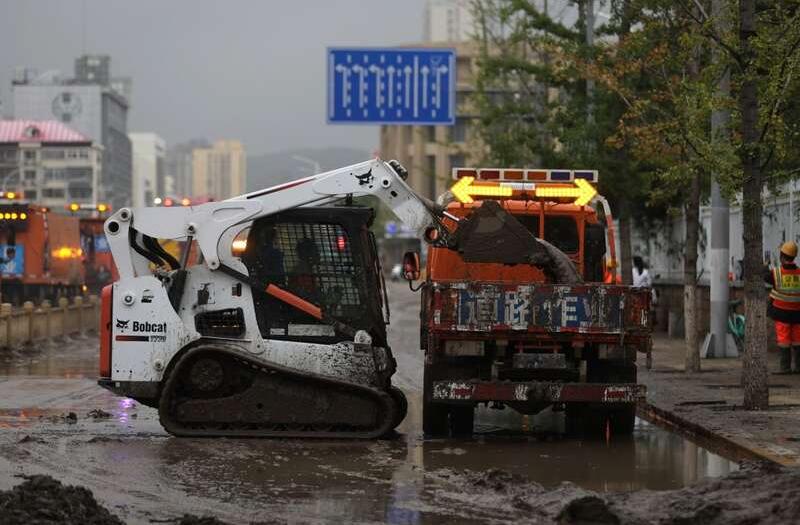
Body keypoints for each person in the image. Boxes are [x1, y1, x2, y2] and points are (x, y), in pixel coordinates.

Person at [764, 241, 800, 373]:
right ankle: (798, 367)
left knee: (784, 340)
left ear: (782, 256)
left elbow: (765, 276)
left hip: (781, 312)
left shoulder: (776, 273)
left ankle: (785, 368)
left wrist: (765, 266)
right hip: (798, 314)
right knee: (798, 340)